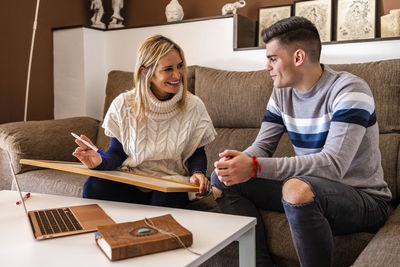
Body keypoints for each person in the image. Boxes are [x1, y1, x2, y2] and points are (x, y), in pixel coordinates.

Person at [211, 16, 391, 267]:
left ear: (298, 57)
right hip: (310, 187)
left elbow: (333, 164)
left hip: (363, 200)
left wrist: (253, 166)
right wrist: (236, 162)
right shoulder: (281, 93)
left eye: (273, 58)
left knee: (296, 189)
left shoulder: (350, 90)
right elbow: (262, 147)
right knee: (221, 178)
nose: (267, 67)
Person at [73, 35, 217, 208]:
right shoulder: (123, 104)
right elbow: (117, 154)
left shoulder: (193, 106)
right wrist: (98, 161)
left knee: (163, 201)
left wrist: (198, 173)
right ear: (145, 72)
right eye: (168, 69)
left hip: (171, 183)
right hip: (132, 179)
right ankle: (102, 235)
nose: (178, 75)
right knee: (93, 187)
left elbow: (197, 153)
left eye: (180, 66)